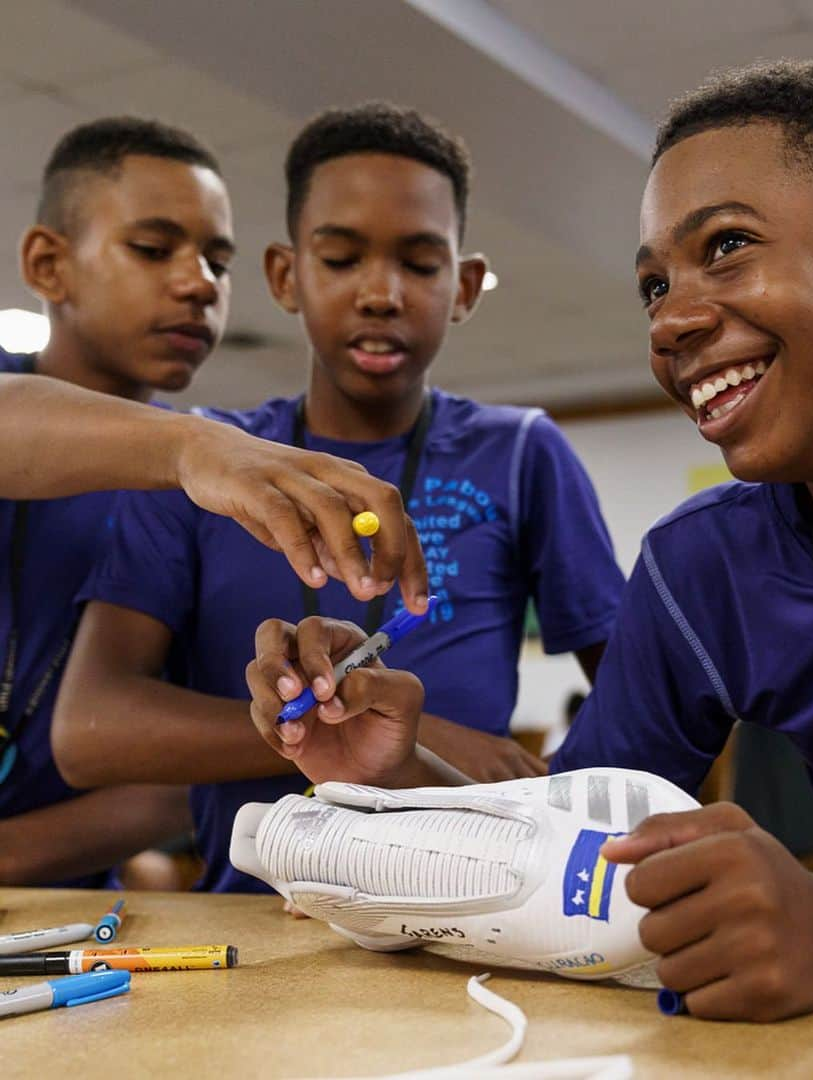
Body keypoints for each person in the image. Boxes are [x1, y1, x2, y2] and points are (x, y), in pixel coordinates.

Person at [243, 60, 813, 1021]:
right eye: (653, 286)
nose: (672, 321)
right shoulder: (701, 568)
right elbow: (567, 849)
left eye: (726, 246)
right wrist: (398, 774)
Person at [53, 104, 624, 893]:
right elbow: (92, 732)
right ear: (287, 276)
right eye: (342, 258)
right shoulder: (206, 463)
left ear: (463, 287)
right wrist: (397, 736)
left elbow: (642, 698)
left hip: (469, 913)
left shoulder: (522, 452)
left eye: (420, 265)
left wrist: (564, 818)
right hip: (253, 929)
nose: (381, 293)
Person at [0, 117, 425, 888]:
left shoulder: (191, 499)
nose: (199, 283)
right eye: (154, 249)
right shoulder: (201, 457)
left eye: (217, 261)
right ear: (47, 265)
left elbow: (160, 786)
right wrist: (192, 447)